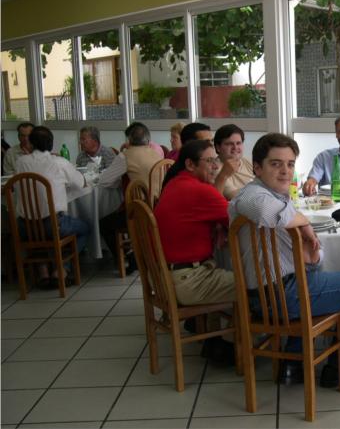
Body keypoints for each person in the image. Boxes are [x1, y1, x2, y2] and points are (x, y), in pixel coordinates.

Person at [229, 132, 340, 388]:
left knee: (318, 277)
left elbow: (305, 257)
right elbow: (265, 212)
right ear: (257, 168)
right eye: (276, 164)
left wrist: (311, 250)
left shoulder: (278, 197)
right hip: (276, 297)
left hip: (279, 292)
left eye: (290, 164)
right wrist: (305, 221)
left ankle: (292, 364)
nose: (285, 171)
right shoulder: (251, 196)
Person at [155, 139, 236, 364]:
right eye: (209, 161)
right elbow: (239, 224)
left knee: (221, 268)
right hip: (188, 281)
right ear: (190, 164)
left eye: (216, 160)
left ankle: (214, 340)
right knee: (257, 284)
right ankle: (231, 345)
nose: (215, 166)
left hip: (164, 278)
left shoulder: (174, 183)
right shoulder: (200, 191)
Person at [14, 126, 90, 289]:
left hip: (23, 226)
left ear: (30, 143)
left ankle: (43, 273)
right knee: (84, 228)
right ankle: (61, 269)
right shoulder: (59, 163)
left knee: (37, 233)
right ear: (51, 144)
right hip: (52, 224)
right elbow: (81, 183)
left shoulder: (20, 162)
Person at [98, 122, 162, 272]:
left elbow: (104, 180)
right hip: (159, 207)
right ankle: (136, 253)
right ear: (148, 139)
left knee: (104, 224)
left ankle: (127, 258)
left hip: (140, 211)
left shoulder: (126, 156)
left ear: (129, 140)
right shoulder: (157, 153)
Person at [212, 124, 253, 200]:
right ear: (218, 147)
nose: (235, 147)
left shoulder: (249, 161)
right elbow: (236, 197)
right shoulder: (215, 169)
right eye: (229, 144)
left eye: (238, 143)